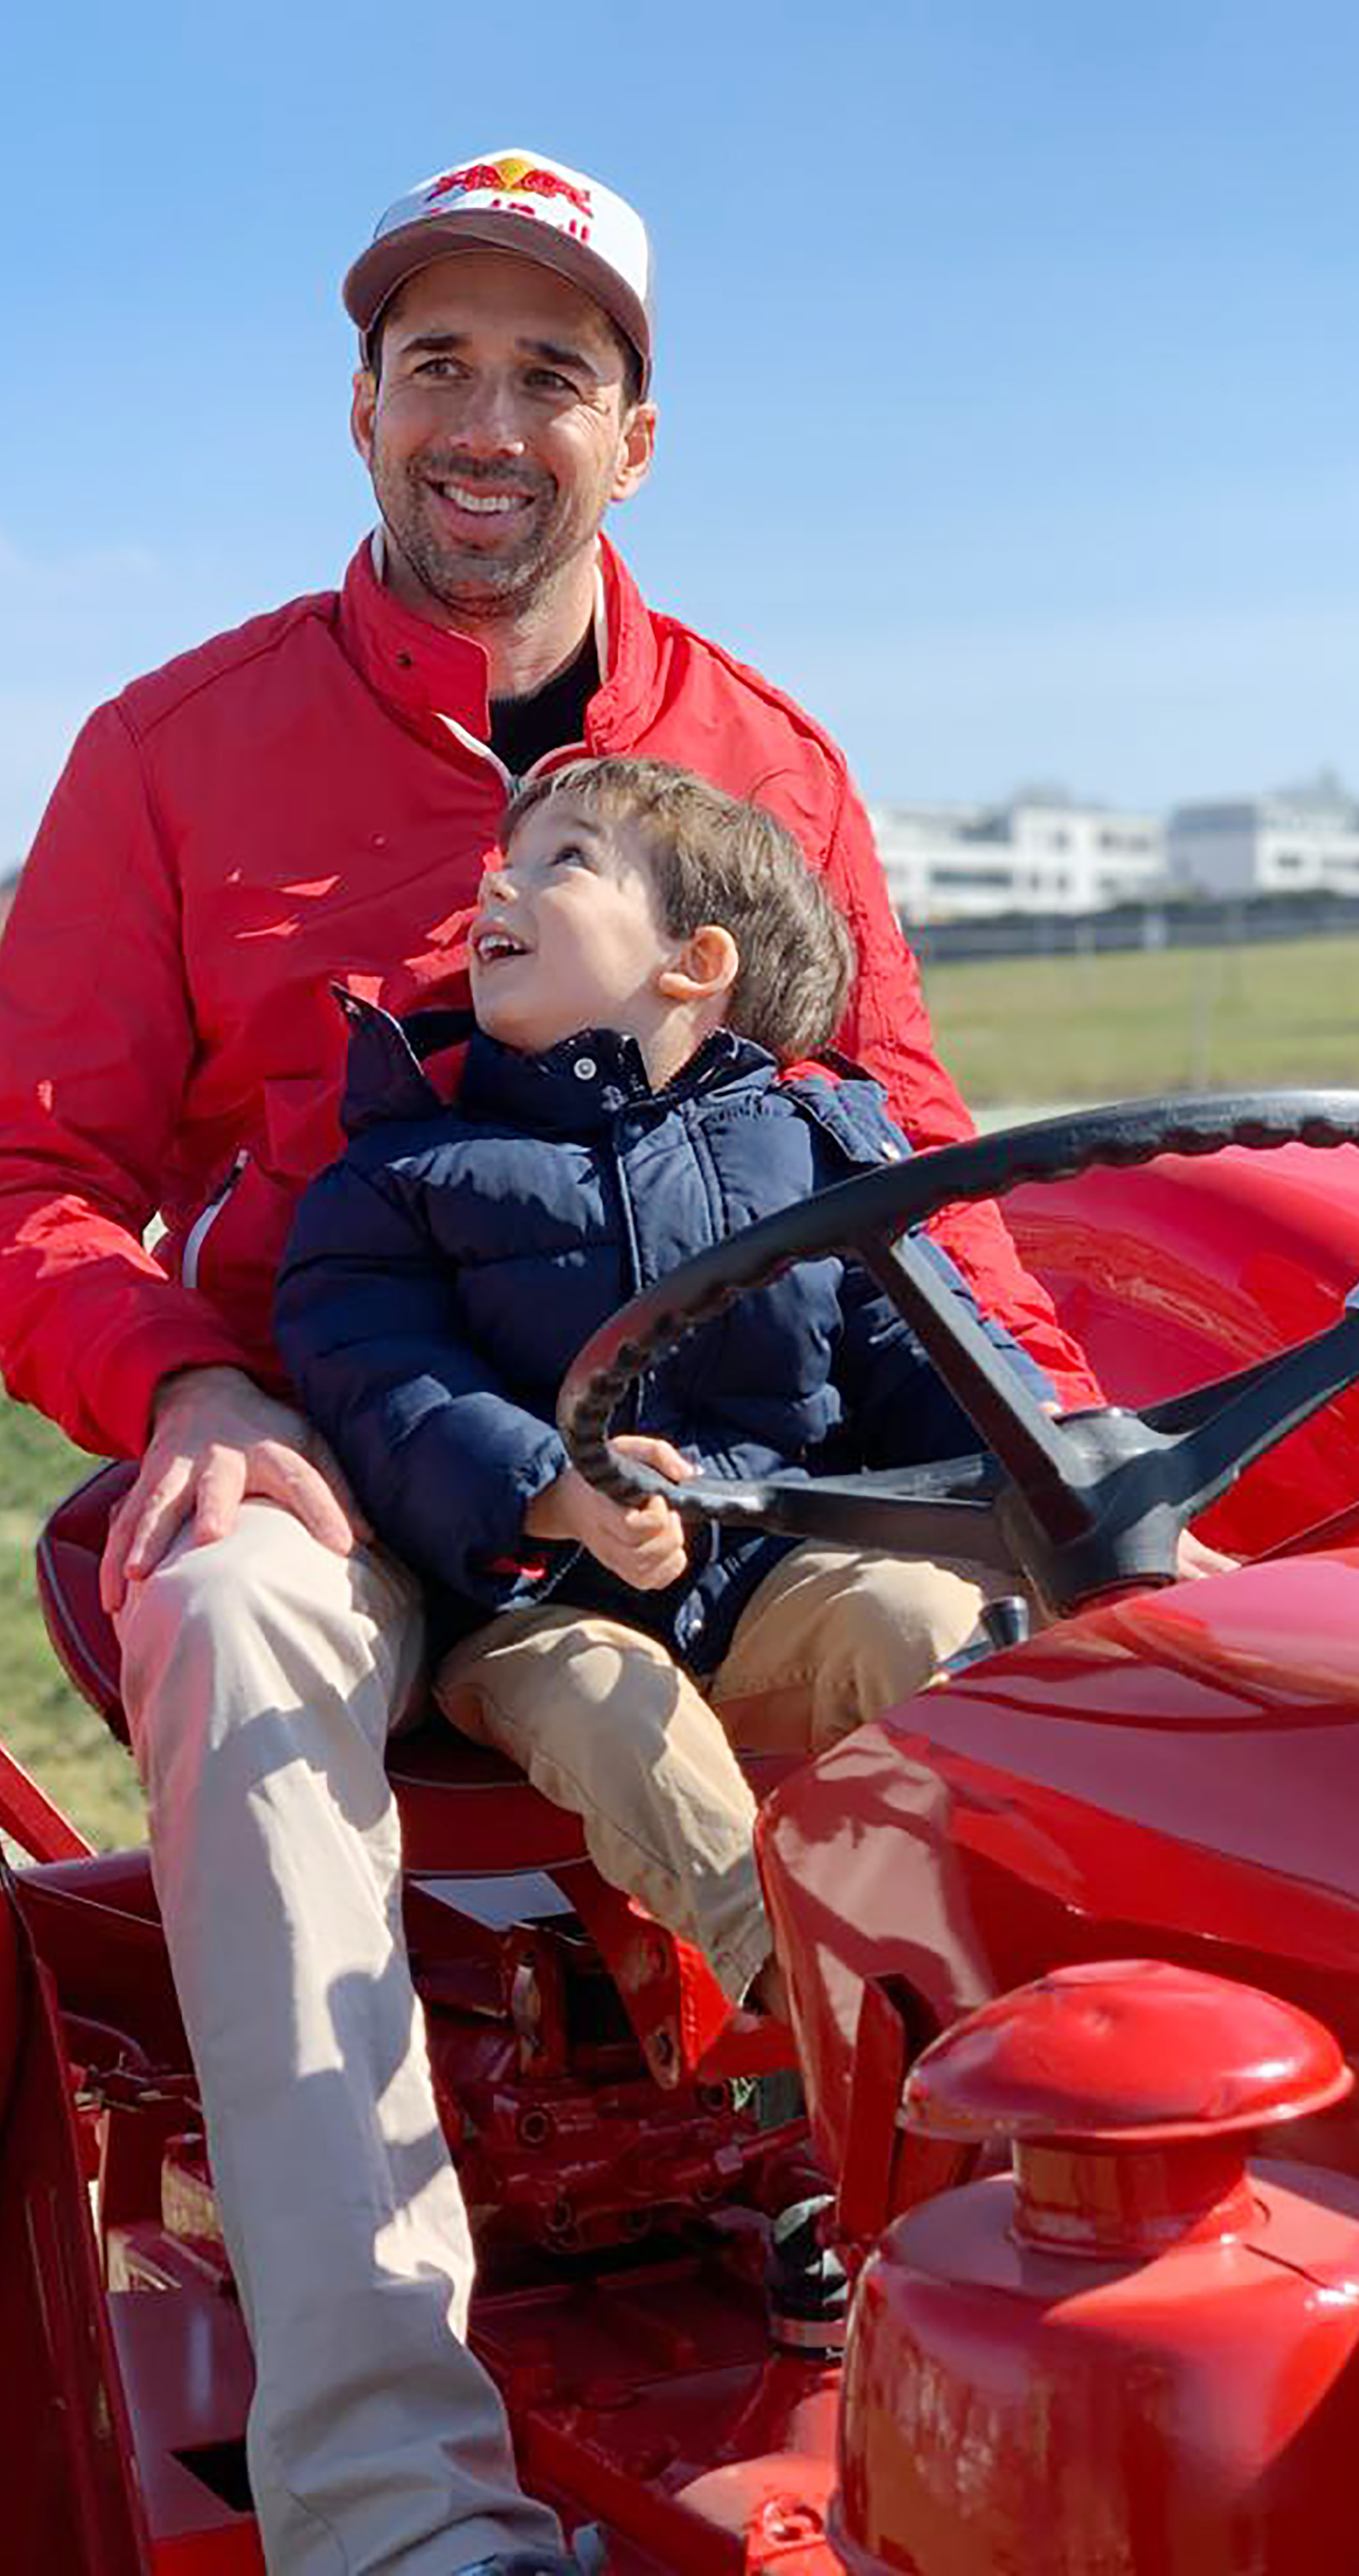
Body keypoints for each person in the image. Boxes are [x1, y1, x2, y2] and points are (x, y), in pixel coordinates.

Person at [0, 149, 1099, 2576]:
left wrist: (1041, 1437)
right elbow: (23, 1171)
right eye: (435, 364)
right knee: (242, 1619)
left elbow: (912, 1161)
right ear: (358, 410)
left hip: (716, 1471)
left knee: (976, 1623)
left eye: (547, 372)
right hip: (337, 1457)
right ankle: (393, 2502)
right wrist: (193, 1386)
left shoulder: (762, 759)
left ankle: (982, 2280)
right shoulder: (175, 751)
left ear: (630, 438)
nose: (487, 416)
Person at [276, 758, 1044, 2020]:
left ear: (693, 964)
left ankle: (1016, 1938)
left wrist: (1057, 1472)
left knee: (917, 1615)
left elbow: (921, 1352)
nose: (499, 881)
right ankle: (820, 2000)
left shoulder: (816, 1148)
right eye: (507, 860)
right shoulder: (405, 1173)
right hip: (535, 1607)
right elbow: (380, 1382)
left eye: (563, 860)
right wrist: (552, 1492)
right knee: (614, 1708)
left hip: (774, 1574)